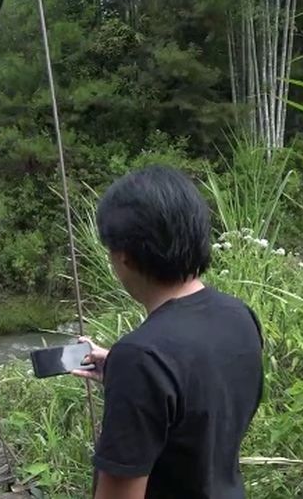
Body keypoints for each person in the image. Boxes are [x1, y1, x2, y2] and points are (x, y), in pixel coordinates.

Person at [72, 166, 263, 499]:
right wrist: (123, 374)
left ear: (123, 257)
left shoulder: (142, 358)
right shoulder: (239, 315)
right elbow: (201, 403)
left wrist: (134, 376)